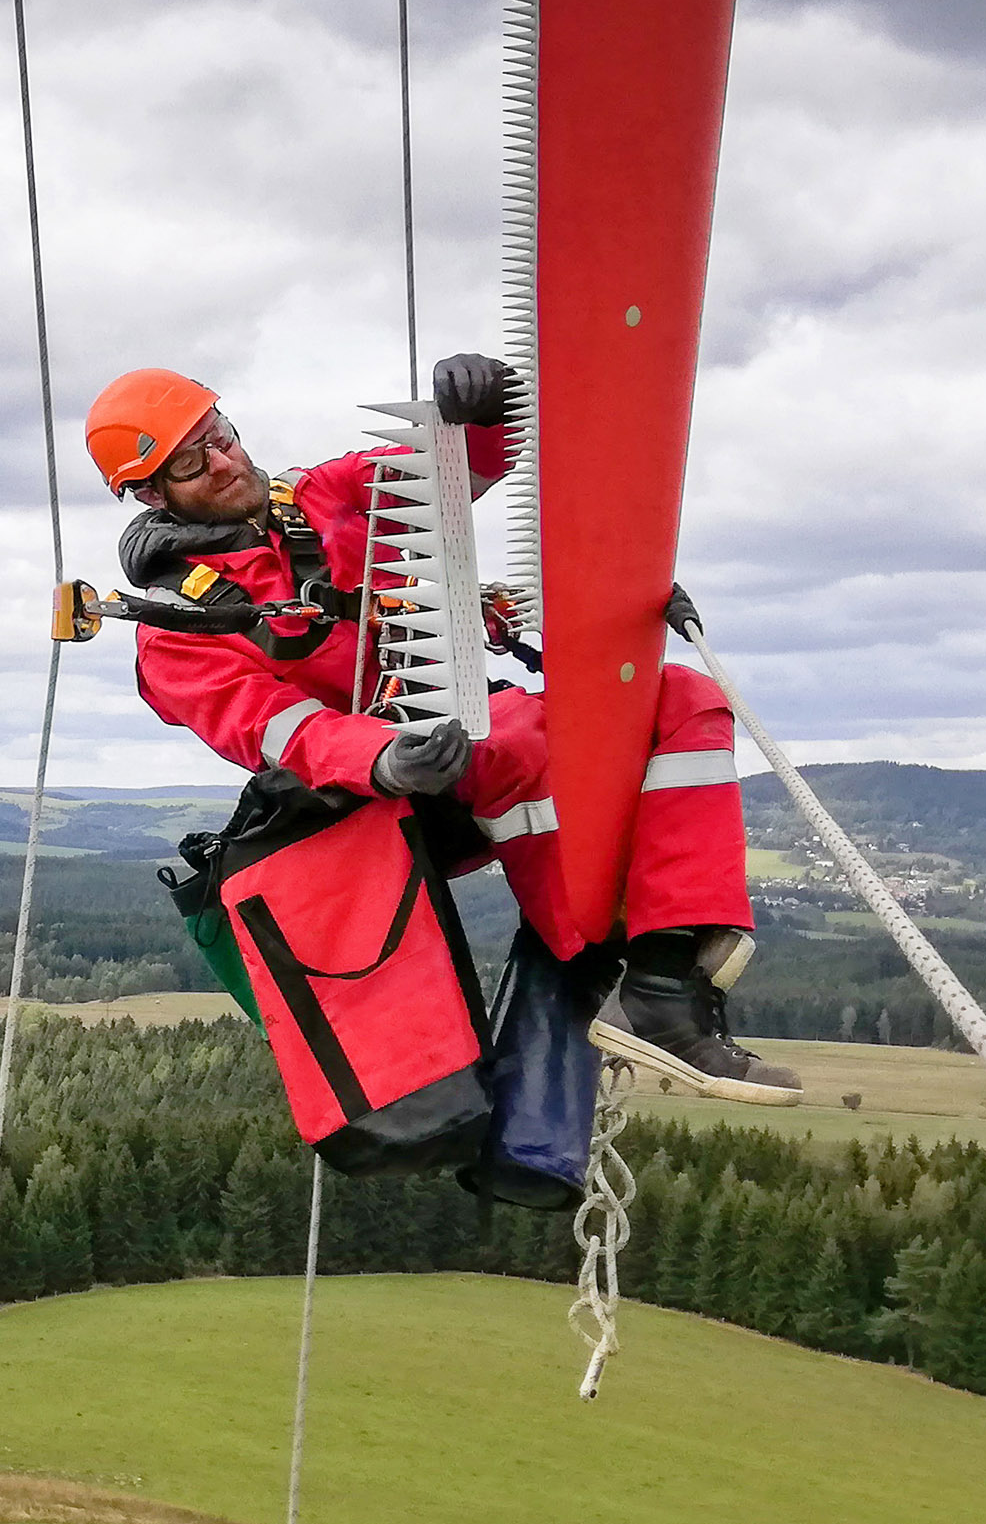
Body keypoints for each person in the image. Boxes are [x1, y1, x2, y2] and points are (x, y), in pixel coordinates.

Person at [87, 358, 799, 1103]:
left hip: (463, 724)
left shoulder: (327, 494)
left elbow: (456, 475)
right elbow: (277, 733)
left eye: (220, 435)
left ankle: (665, 966)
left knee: (682, 697)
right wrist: (386, 757)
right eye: (194, 462)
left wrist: (479, 412)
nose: (226, 462)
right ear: (149, 491)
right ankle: (604, 957)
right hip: (385, 797)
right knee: (522, 743)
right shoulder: (179, 631)